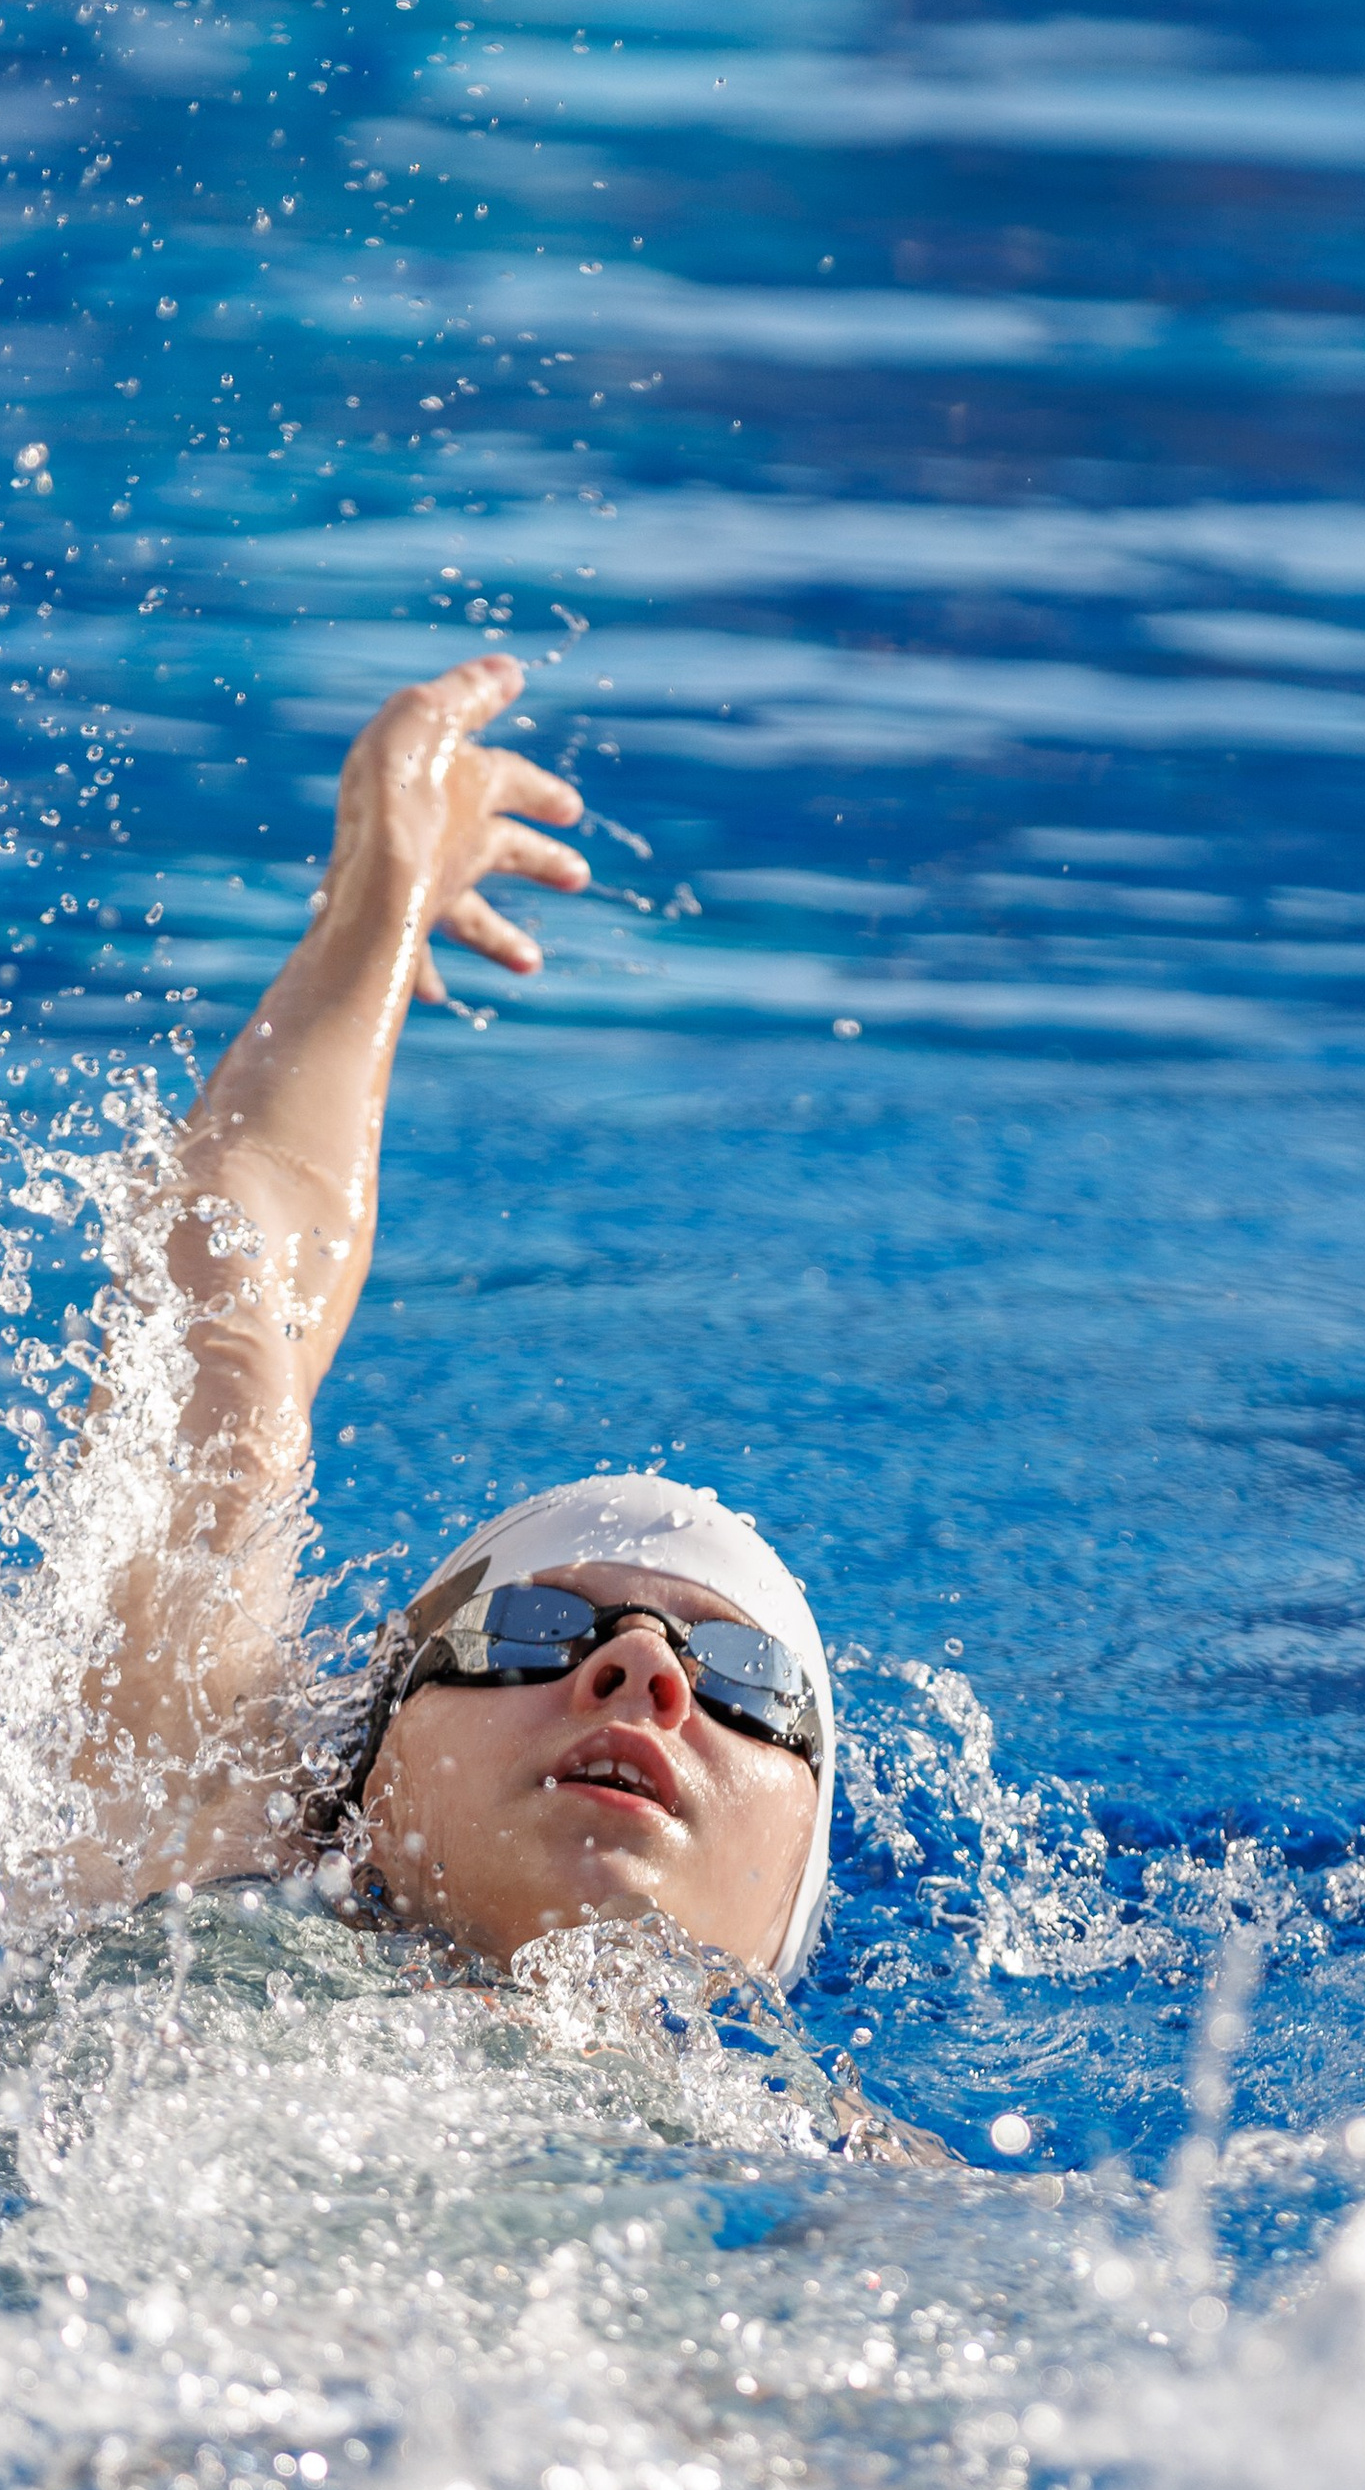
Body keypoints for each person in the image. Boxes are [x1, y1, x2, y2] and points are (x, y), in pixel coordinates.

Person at [71, 651, 835, 1988]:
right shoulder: (191, 1858)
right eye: (531, 1630)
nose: (646, 1676)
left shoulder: (869, 2184)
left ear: (795, 1900)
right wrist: (377, 910)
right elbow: (228, 1289)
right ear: (350, 1782)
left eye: (744, 1683)